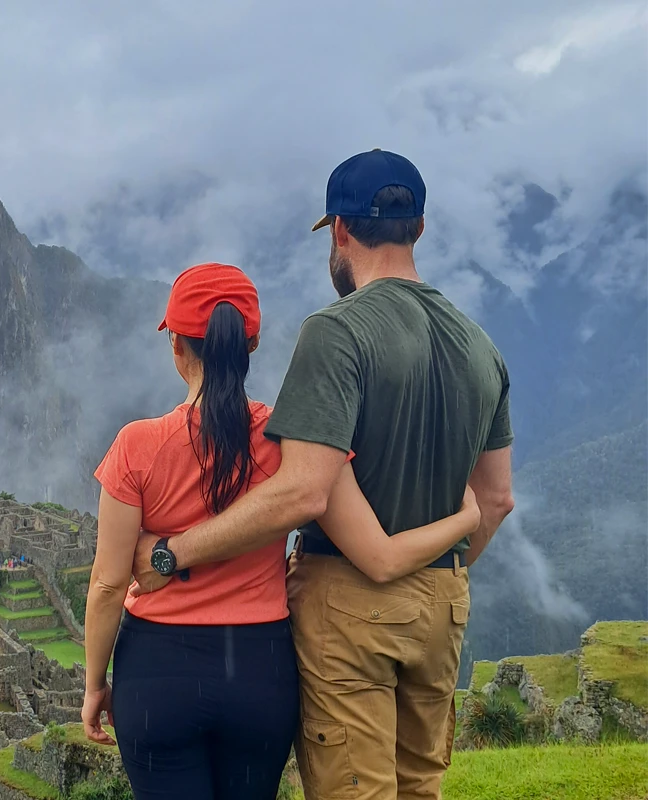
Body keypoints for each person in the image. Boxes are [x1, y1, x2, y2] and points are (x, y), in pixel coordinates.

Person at [129, 152, 515, 800]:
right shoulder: (481, 345)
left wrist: (171, 553)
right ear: (419, 228)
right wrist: (431, 582)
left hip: (350, 603)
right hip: (444, 604)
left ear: (339, 231)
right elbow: (497, 499)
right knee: (422, 786)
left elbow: (304, 489)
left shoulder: (338, 333)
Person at [83, 261, 482, 800]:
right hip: (260, 671)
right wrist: (464, 519)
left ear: (176, 346)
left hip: (157, 672)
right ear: (252, 345)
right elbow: (378, 552)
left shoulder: (137, 446)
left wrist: (94, 686)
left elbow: (108, 584)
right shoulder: (293, 445)